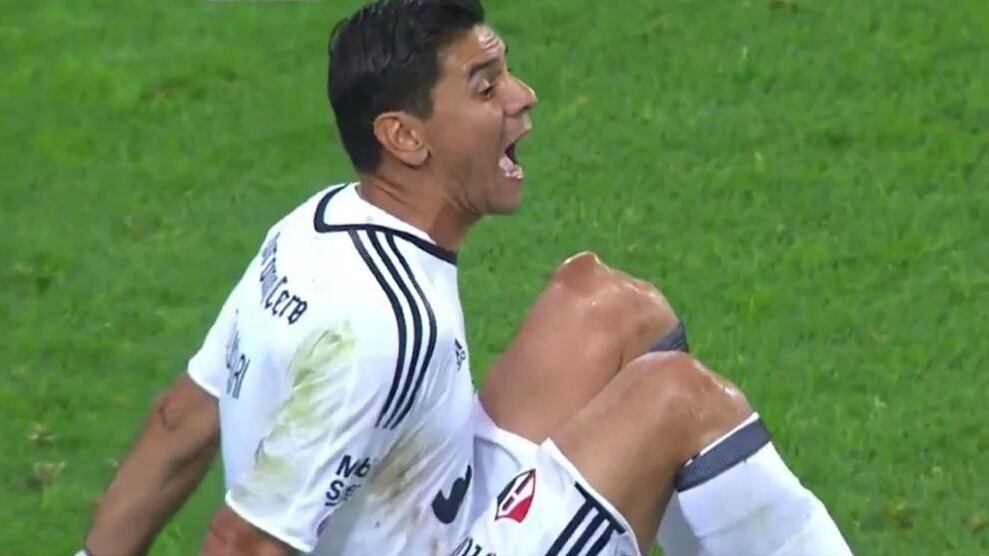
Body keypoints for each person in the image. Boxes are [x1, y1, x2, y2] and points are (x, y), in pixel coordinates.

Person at [78, 0, 853, 555]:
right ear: (404, 137)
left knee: (610, 308)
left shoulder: (310, 228)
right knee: (677, 398)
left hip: (439, 508)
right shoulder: (380, 328)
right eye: (485, 86)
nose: (522, 97)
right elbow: (244, 542)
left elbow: (181, 420)